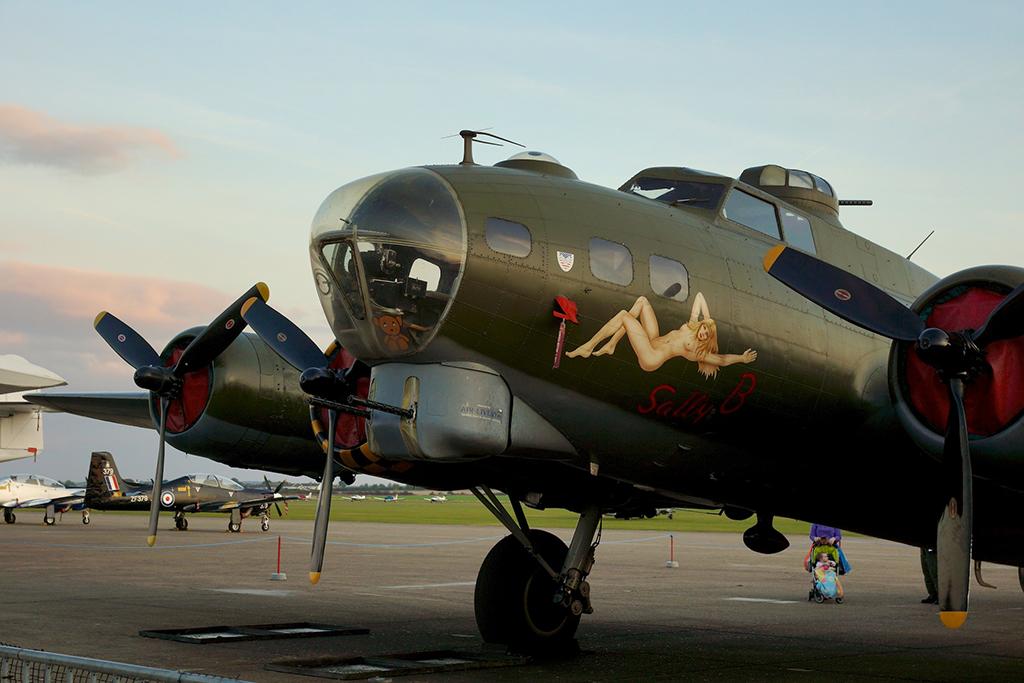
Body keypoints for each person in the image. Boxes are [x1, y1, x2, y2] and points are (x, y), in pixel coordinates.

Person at [566, 293, 757, 378]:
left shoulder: (697, 351)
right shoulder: (691, 326)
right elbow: (699, 297)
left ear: (707, 339)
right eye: (705, 329)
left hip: (652, 357)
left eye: (707, 334)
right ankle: (612, 344)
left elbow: (721, 360)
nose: (704, 333)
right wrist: (709, 320)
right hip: (652, 341)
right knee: (642, 302)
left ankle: (589, 346)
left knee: (625, 316)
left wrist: (741, 358)